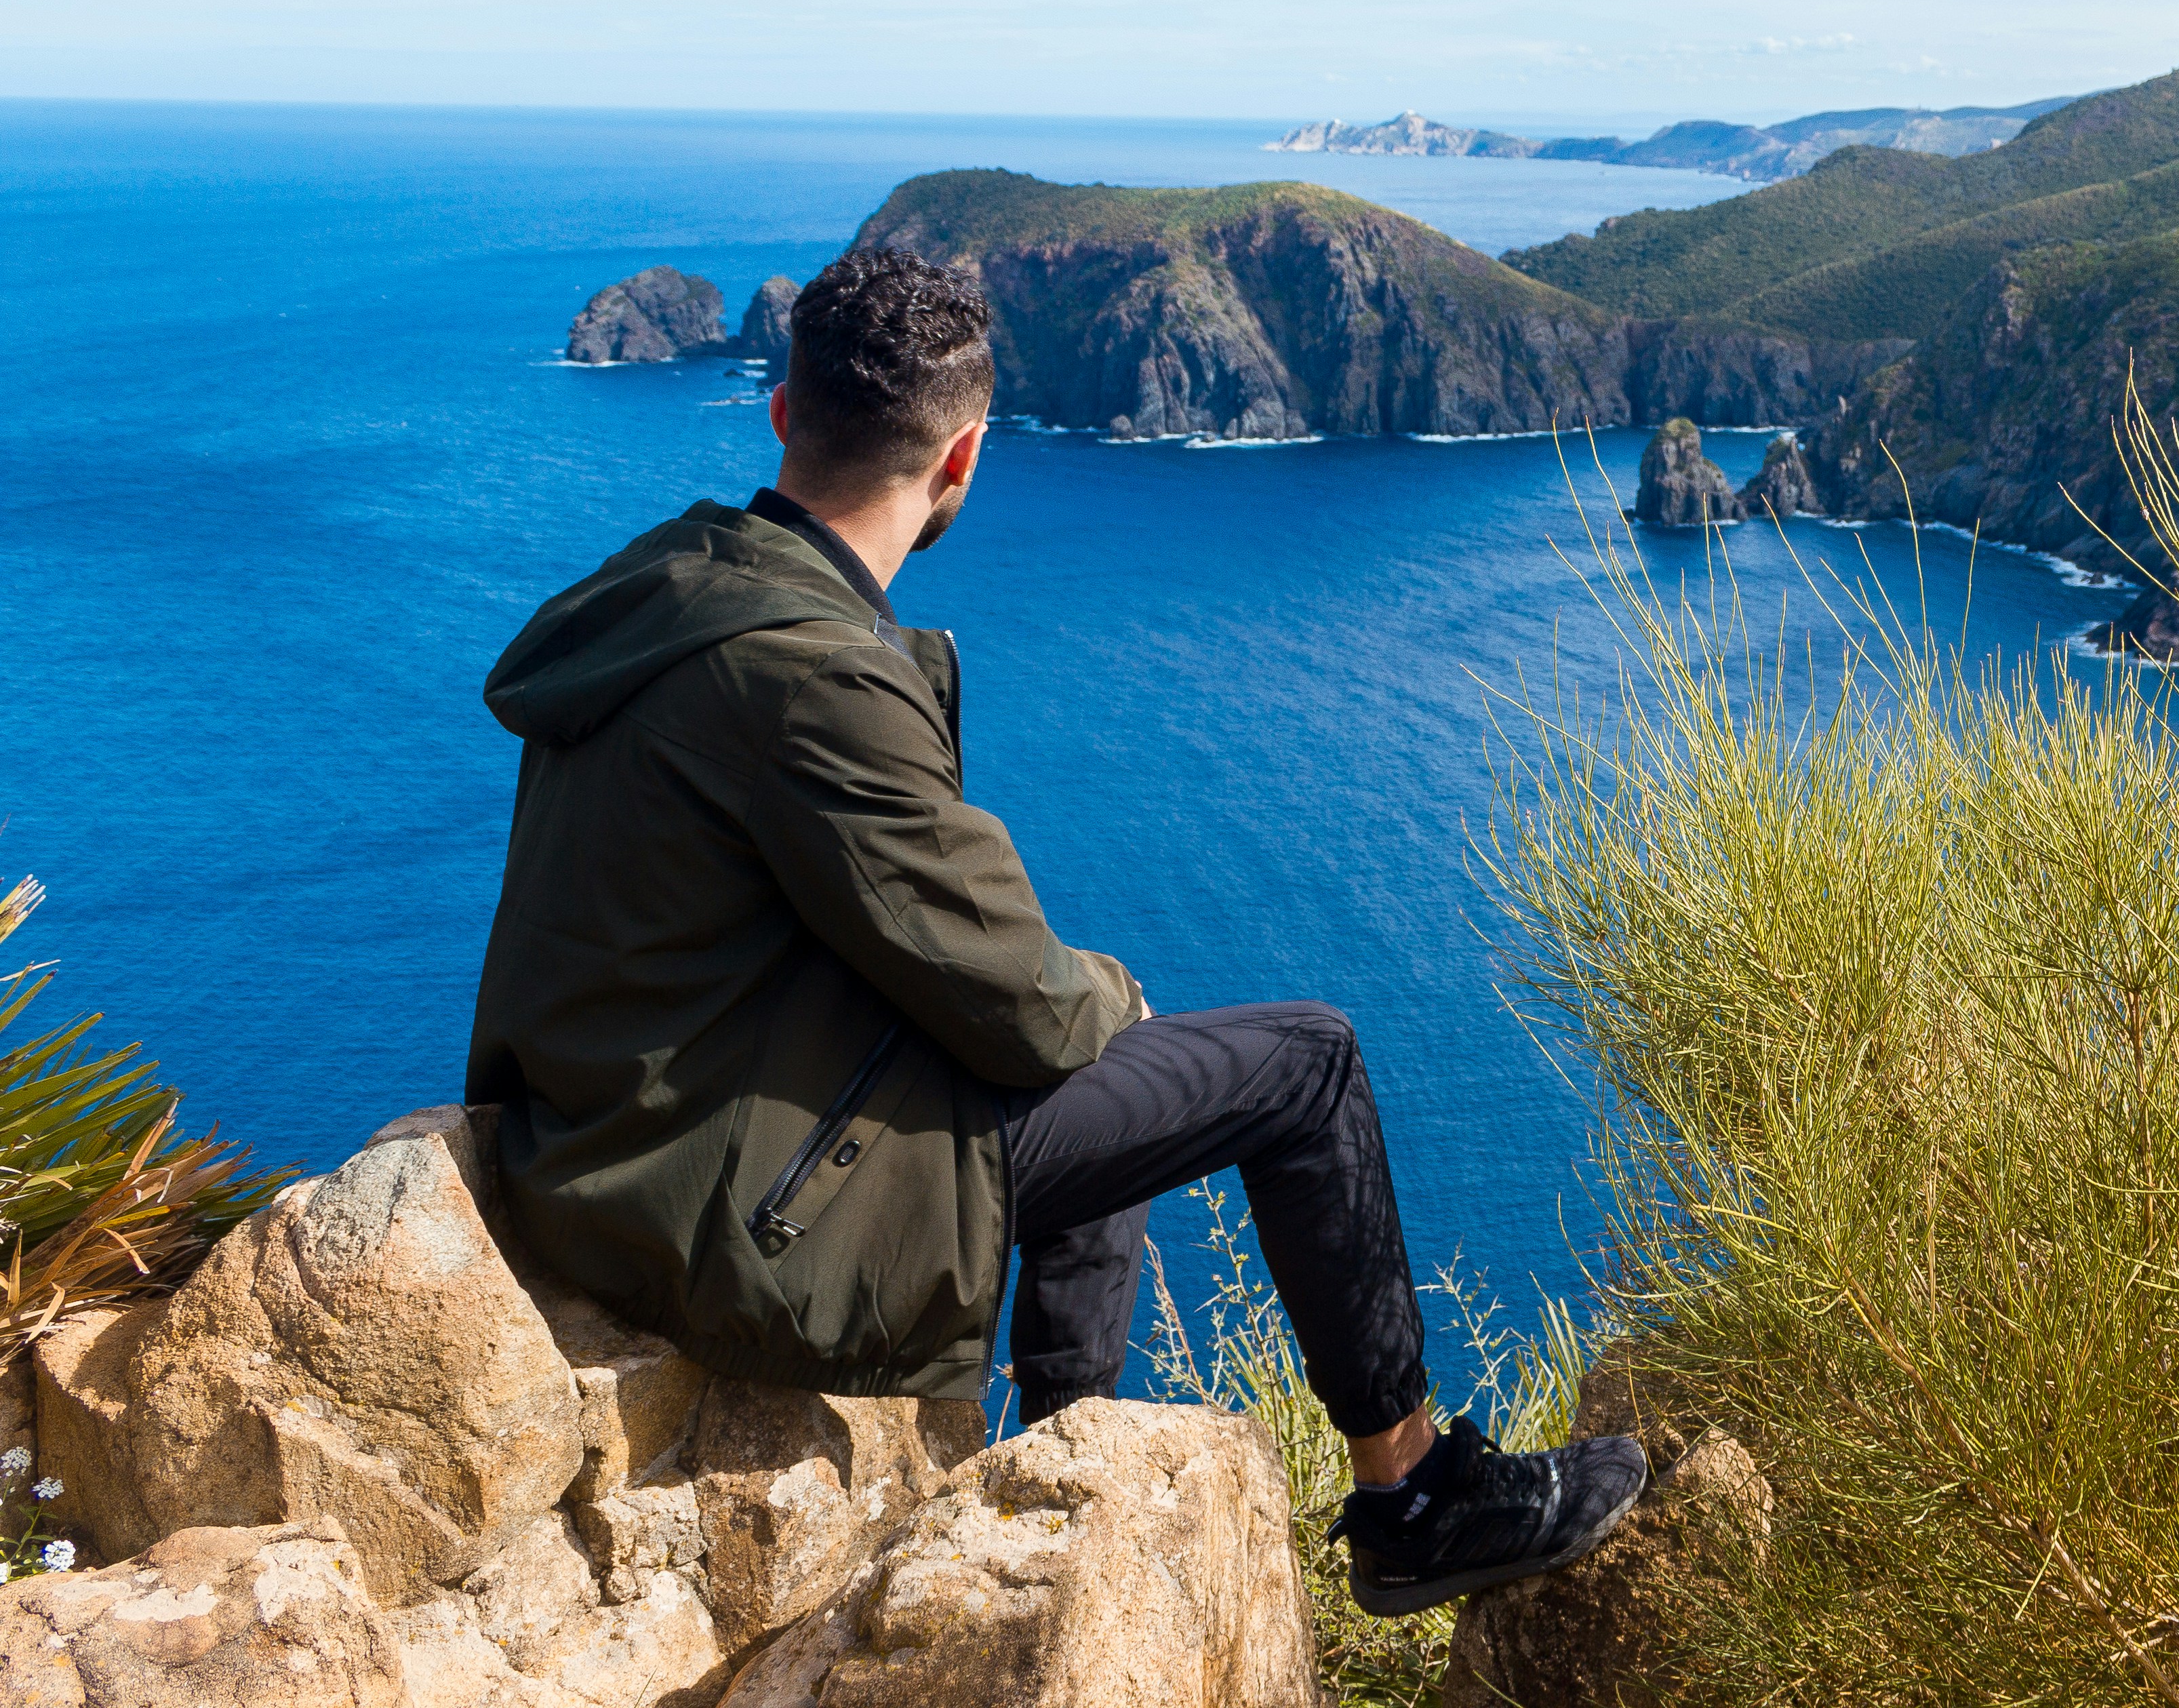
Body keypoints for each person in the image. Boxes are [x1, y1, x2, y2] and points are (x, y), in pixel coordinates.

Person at [465, 244, 1642, 1614]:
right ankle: (1414, 1496)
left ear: (784, 419)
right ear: (963, 459)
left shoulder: (672, 587)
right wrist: (1112, 998)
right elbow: (1024, 998)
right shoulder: (816, 677)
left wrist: (1079, 1007)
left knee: (1092, 1044)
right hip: (721, 1217)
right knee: (1295, 1063)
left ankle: (1056, 1459)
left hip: (603, 1150)